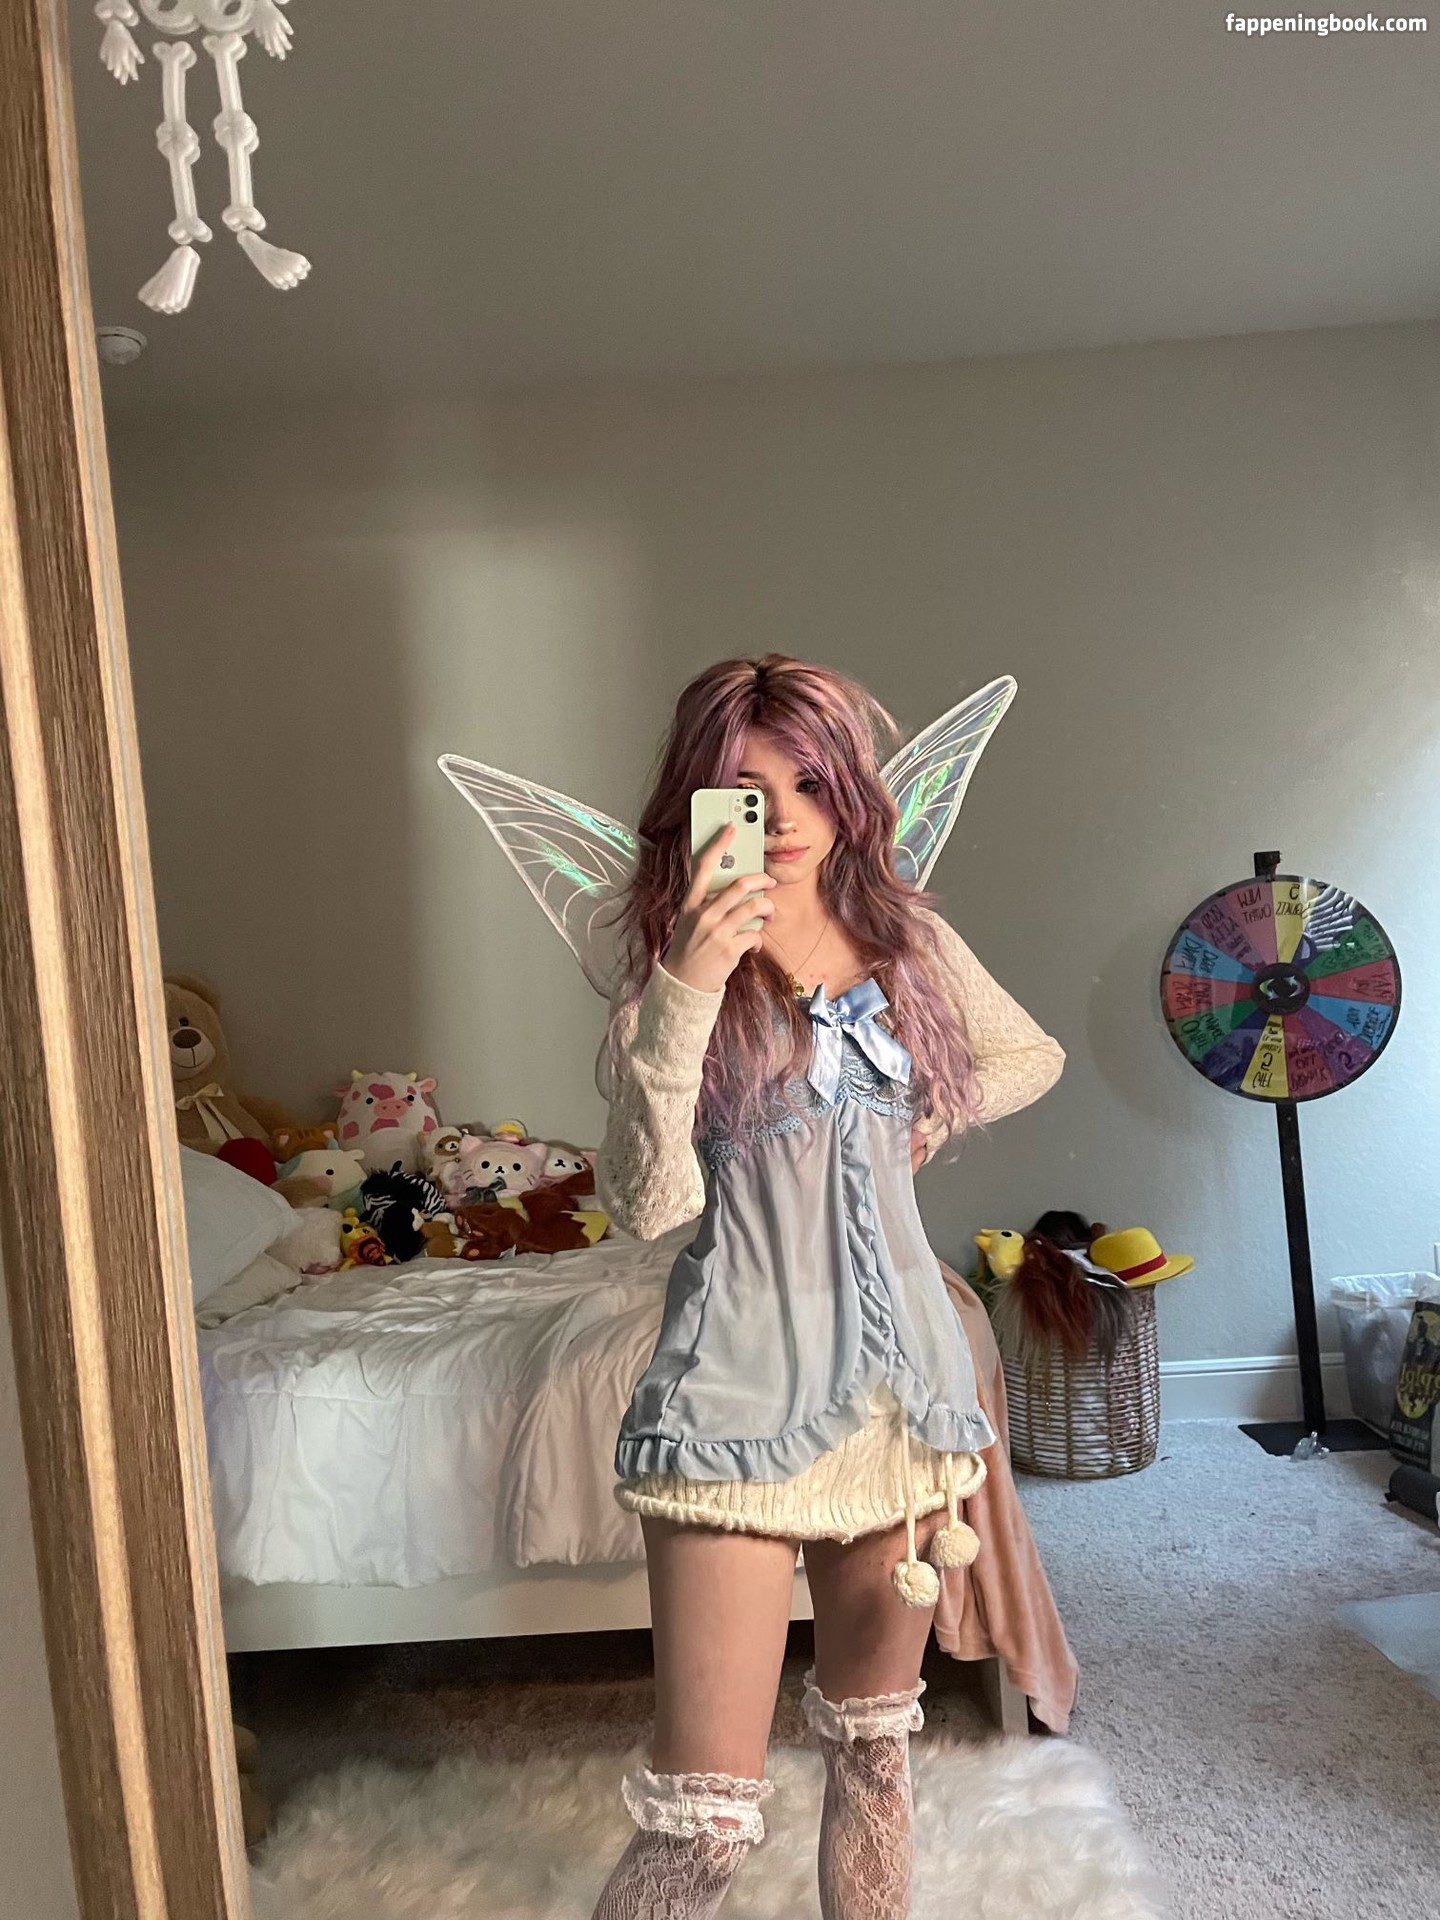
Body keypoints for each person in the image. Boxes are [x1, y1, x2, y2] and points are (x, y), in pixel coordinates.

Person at [588, 654, 1065, 1919]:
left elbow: (1030, 1053)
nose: (788, 818)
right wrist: (689, 982)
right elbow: (643, 1202)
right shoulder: (675, 974)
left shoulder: (910, 945)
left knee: (875, 1760)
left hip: (904, 1397)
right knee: (703, 1830)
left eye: (811, 782)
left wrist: (936, 1115)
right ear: (702, 805)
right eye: (749, 792)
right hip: (733, 1399)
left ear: (851, 791)